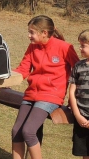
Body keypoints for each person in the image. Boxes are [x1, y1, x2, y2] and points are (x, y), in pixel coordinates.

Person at [11, 15, 79, 159]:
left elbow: (78, 71)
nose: (29, 36)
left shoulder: (65, 48)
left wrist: (74, 99)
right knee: (16, 130)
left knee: (28, 131)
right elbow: (23, 69)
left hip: (51, 96)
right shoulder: (32, 47)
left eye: (32, 32)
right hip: (31, 94)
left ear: (44, 33)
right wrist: (5, 77)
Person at [68, 29, 89, 159]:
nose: (80, 48)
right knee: (85, 153)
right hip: (81, 117)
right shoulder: (78, 66)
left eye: (83, 45)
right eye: (79, 45)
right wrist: (77, 115)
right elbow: (72, 91)